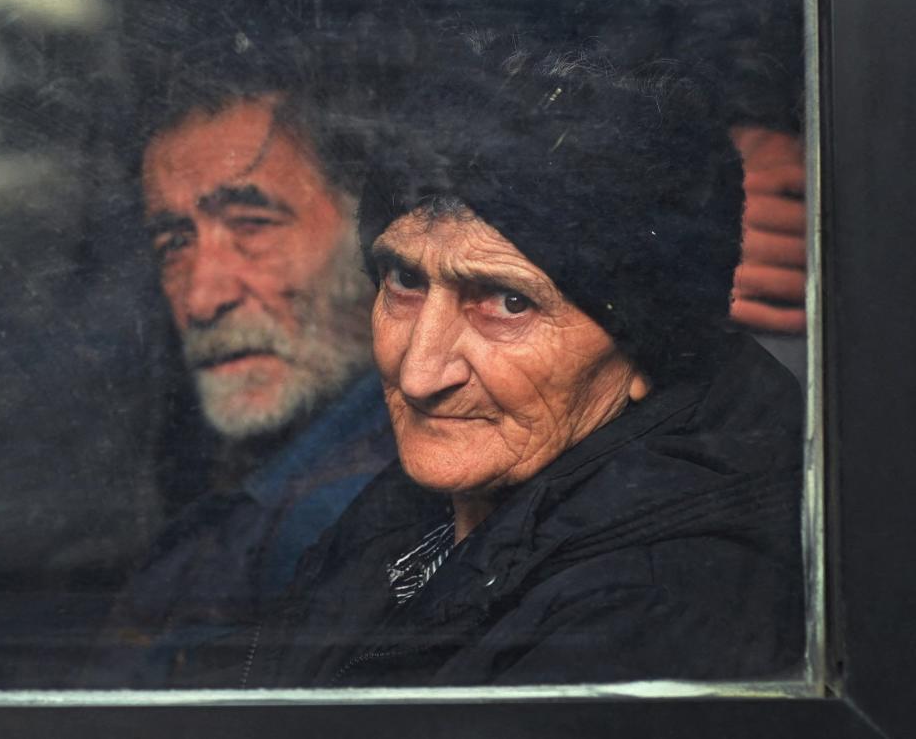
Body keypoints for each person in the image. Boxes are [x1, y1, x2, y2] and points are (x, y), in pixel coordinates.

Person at [231, 46, 805, 687]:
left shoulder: (643, 613)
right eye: (404, 279)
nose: (419, 374)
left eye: (509, 302)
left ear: (649, 346)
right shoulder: (447, 503)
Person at [82, 87, 397, 686]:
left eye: (253, 224)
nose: (202, 298)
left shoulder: (352, 519)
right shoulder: (251, 487)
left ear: (374, 237)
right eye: (174, 242)